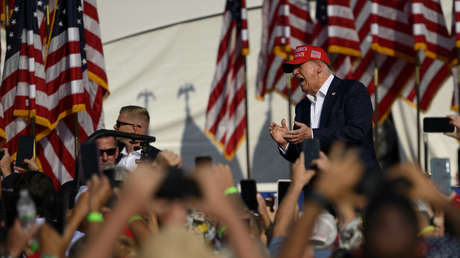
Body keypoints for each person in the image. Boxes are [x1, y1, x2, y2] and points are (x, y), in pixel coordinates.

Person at [269, 45, 379, 171]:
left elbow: (358, 132)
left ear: (319, 68)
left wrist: (313, 134)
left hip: (356, 184)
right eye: (293, 69)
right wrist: (285, 144)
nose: (294, 72)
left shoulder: (352, 90)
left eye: (299, 66)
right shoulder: (302, 107)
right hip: (320, 187)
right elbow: (308, 159)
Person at [113, 105, 160, 170]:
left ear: (135, 128)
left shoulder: (157, 159)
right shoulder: (110, 153)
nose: (115, 126)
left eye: (118, 124)